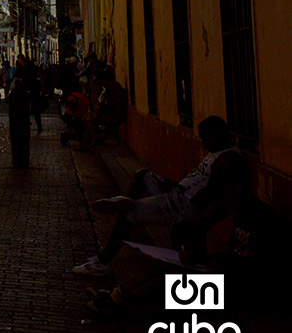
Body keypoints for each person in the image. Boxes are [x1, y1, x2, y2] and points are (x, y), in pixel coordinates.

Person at [71, 115, 250, 276]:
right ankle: (127, 199)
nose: (203, 143)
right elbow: (199, 183)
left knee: (127, 216)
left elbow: (209, 197)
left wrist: (192, 224)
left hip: (183, 204)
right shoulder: (218, 151)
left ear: (219, 133)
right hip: (179, 192)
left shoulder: (229, 161)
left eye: (205, 137)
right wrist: (175, 184)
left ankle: (102, 262)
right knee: (143, 175)